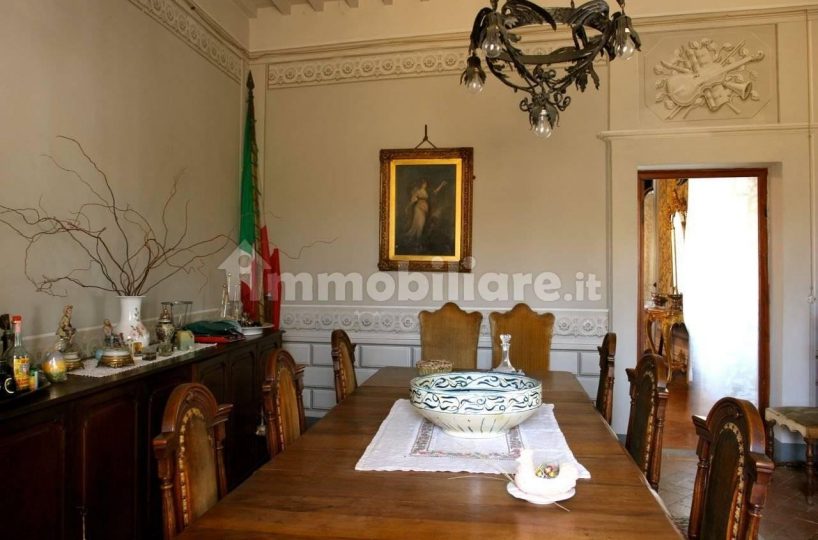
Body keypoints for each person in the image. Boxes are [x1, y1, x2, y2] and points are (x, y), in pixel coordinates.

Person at [404, 179, 446, 249]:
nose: (425, 185)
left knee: (421, 226)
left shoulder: (427, 191)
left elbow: (435, 192)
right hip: (419, 208)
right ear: (421, 184)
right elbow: (413, 200)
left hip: (425, 210)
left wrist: (441, 185)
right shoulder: (418, 191)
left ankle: (417, 242)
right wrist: (407, 207)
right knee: (420, 225)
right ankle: (418, 243)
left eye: (426, 183)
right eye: (424, 183)